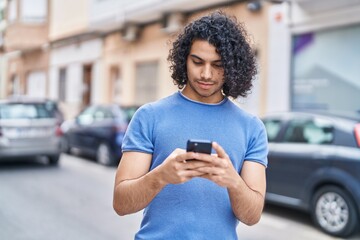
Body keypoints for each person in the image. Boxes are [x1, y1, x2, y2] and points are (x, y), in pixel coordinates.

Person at [113, 11, 268, 240]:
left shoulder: (252, 128)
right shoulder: (149, 116)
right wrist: (161, 176)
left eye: (218, 65)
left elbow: (252, 215)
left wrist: (232, 181)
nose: (206, 74)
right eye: (197, 62)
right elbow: (121, 204)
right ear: (184, 59)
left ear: (233, 66)